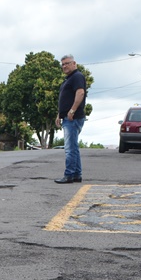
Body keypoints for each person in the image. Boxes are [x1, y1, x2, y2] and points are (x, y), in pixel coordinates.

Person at [54, 55, 86, 184]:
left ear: (74, 63)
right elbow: (65, 99)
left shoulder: (77, 76)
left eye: (67, 63)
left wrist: (72, 110)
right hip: (68, 117)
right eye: (63, 64)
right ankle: (76, 174)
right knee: (73, 147)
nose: (64, 66)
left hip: (73, 118)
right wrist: (59, 114)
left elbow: (80, 93)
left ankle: (69, 175)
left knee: (70, 148)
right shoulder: (69, 78)